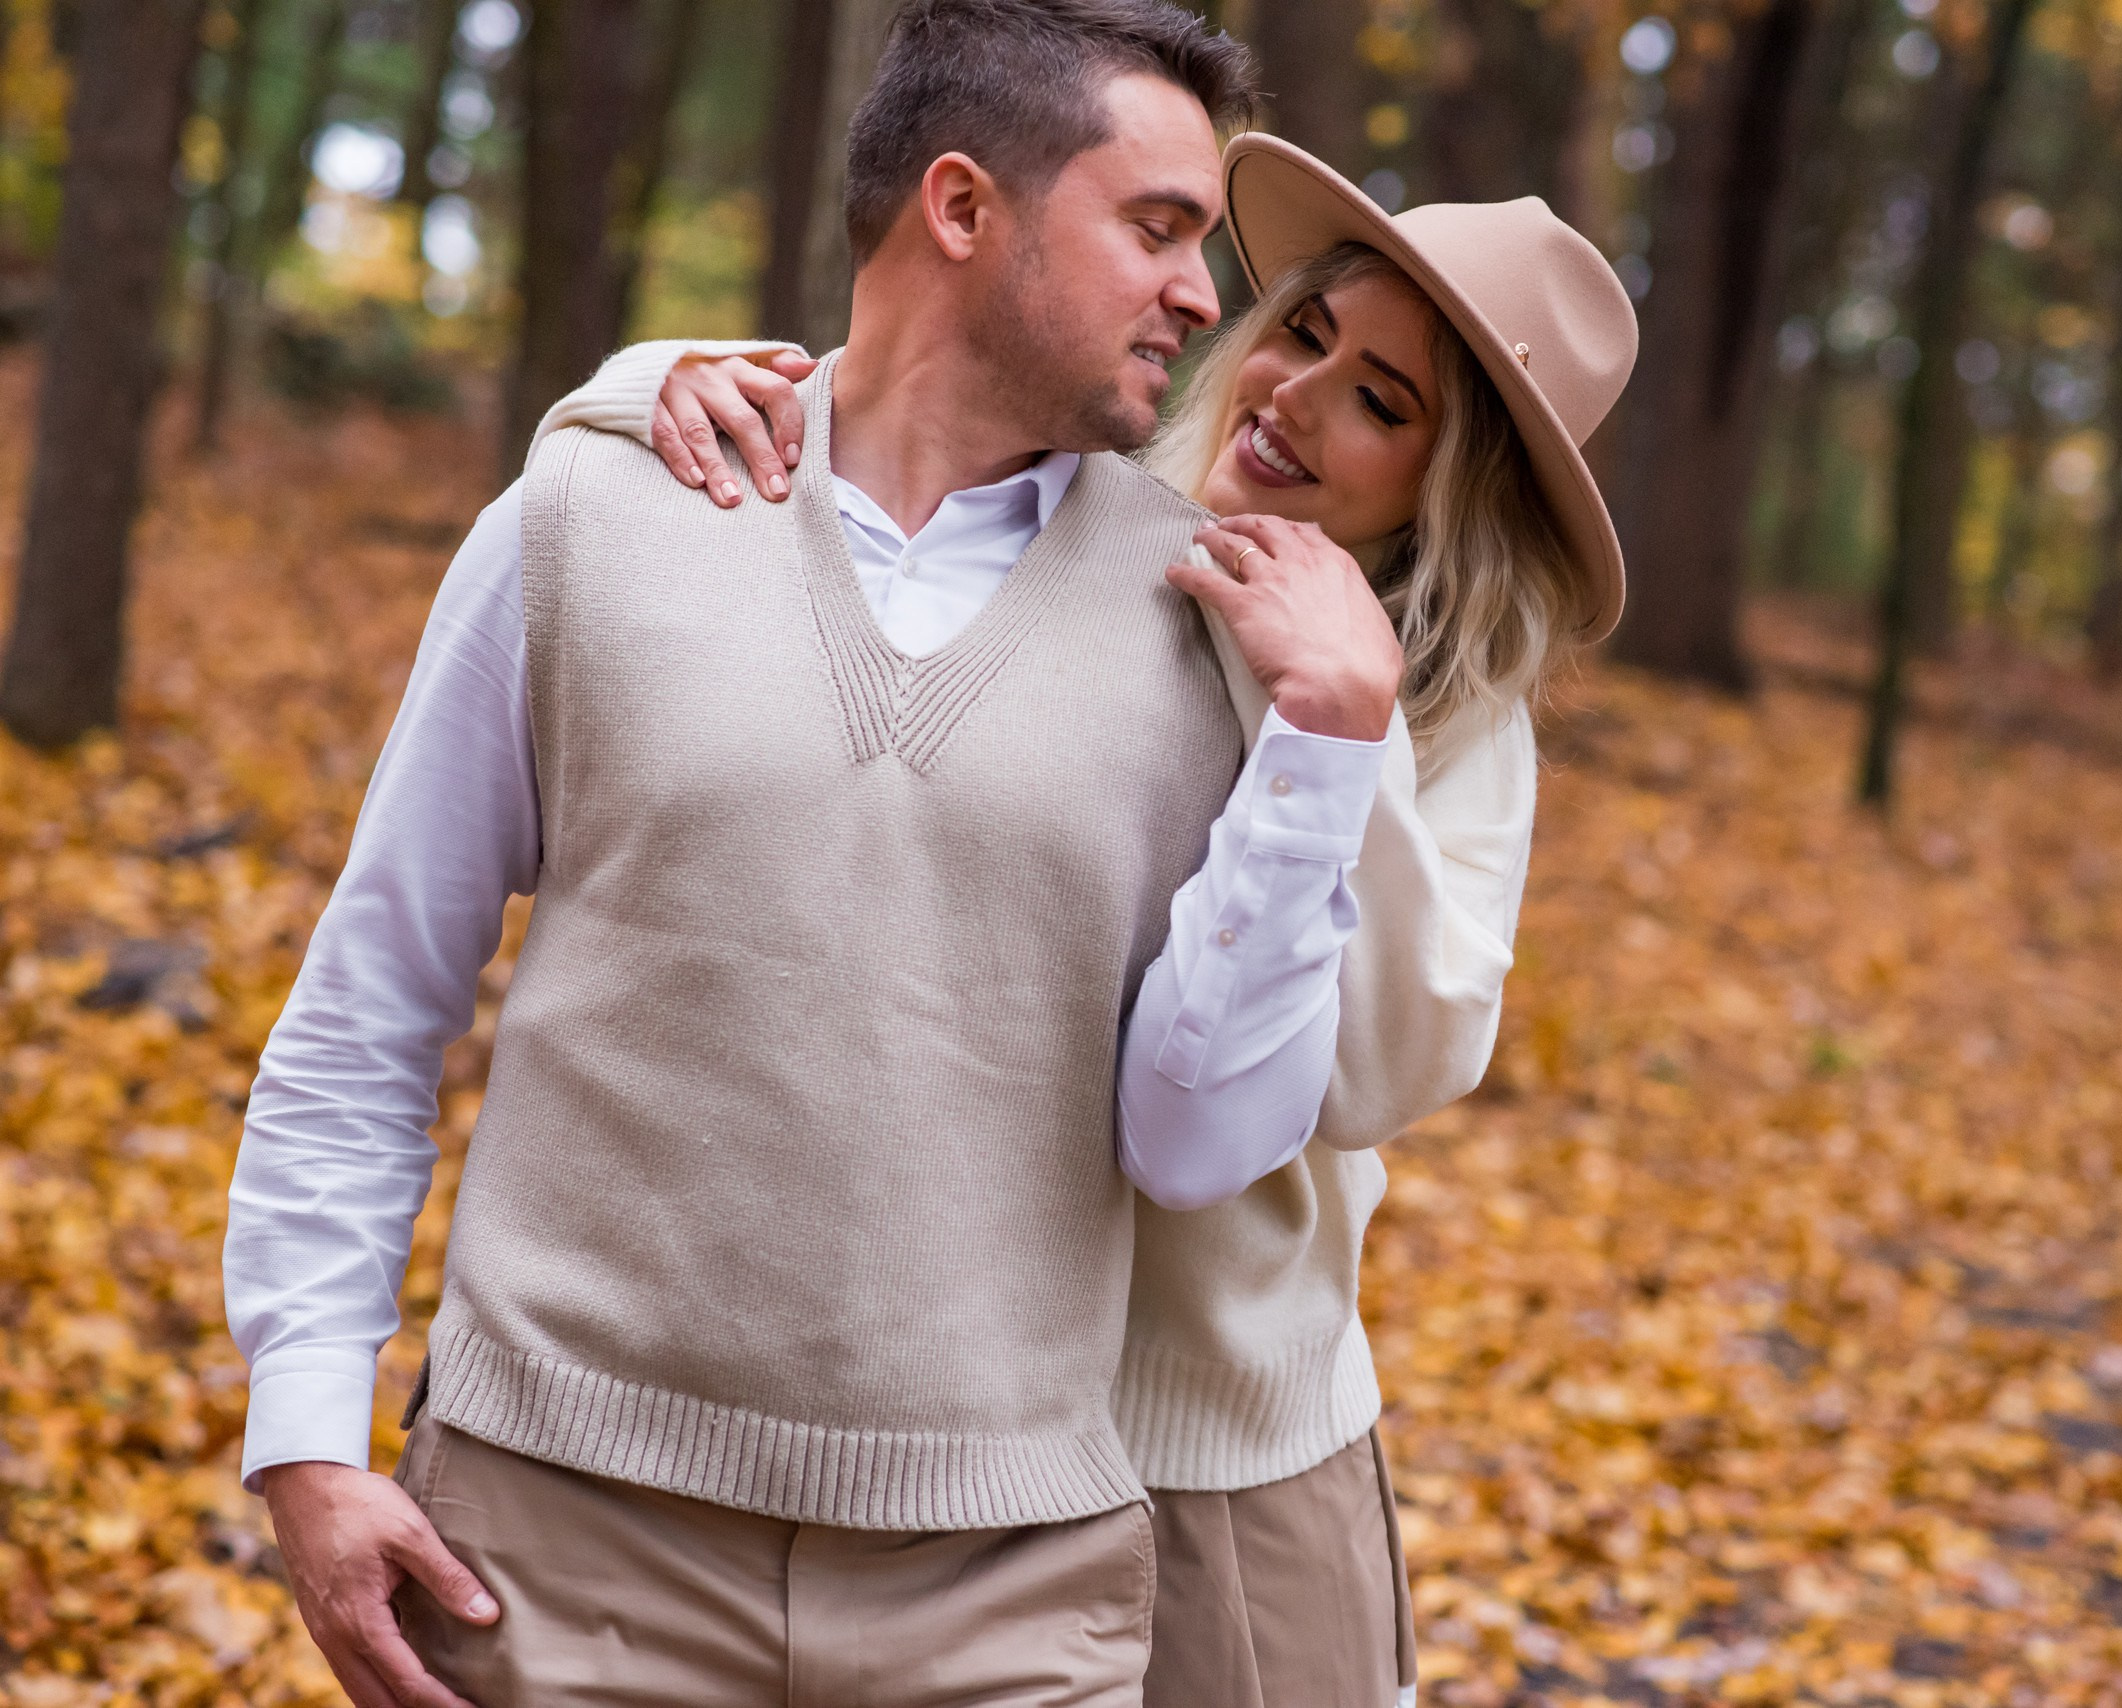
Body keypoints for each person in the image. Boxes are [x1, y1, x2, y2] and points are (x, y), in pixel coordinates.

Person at [212, 6, 1420, 1705]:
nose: (1204, 297)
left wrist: (1323, 755)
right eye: (1155, 228)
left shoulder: (1215, 618)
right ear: (960, 205)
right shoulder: (592, 515)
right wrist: (309, 1434)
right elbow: (370, 1003)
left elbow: (1198, 1141)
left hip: (1006, 1595)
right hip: (554, 1560)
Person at [540, 130, 1639, 1707]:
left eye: (1385, 405)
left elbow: (1387, 1068)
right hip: (915, 1434)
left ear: (1449, 492)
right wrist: (645, 389)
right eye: (1306, 333)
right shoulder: (1065, 521)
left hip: (1215, 1472)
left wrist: (1345, 715)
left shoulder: (1458, 724)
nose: (1296, 398)